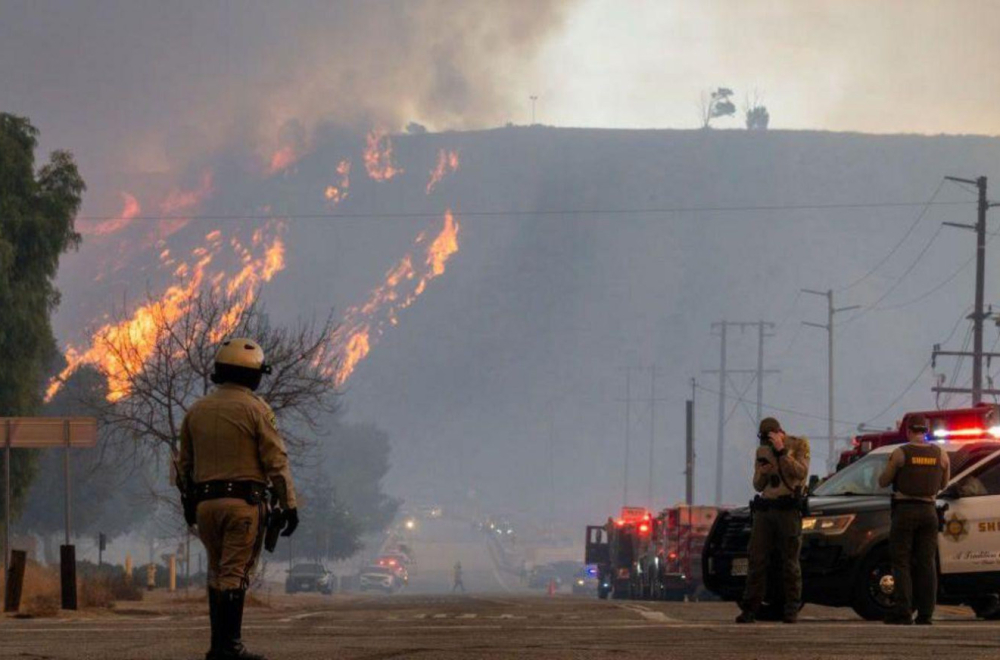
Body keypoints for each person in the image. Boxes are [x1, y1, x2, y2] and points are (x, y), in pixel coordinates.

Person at [176, 337, 299, 660]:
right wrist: (290, 506)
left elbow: (182, 466)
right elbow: (276, 461)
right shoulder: (257, 409)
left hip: (205, 507)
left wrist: (189, 504)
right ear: (252, 375)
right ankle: (230, 647)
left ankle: (218, 646)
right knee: (235, 573)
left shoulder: (196, 410)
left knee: (217, 572)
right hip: (243, 506)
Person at [737, 417, 810, 624]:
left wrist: (782, 453)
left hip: (788, 509)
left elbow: (800, 473)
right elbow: (758, 485)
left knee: (790, 562)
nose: (767, 442)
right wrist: (762, 473)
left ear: (779, 432)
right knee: (757, 559)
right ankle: (750, 607)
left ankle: (791, 608)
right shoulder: (762, 451)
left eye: (770, 437)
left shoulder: (797, 445)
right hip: (766, 510)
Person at [878, 414, 949, 625]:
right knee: (927, 563)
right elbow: (943, 484)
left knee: (901, 562)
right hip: (929, 511)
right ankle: (926, 613)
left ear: (908, 431)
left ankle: (903, 610)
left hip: (905, 510)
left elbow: (883, 481)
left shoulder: (901, 453)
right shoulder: (941, 454)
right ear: (926, 431)